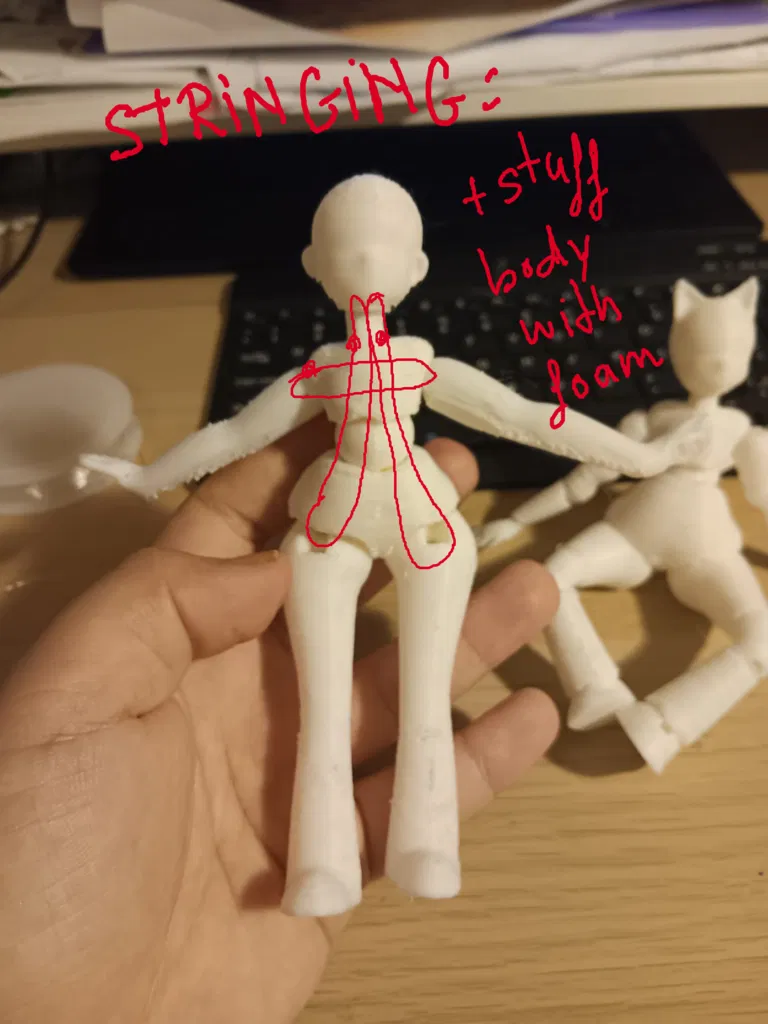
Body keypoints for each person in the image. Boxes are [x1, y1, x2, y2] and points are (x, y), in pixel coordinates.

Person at [0, 420, 560, 1024]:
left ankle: (427, 846)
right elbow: (235, 433)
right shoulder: (323, 379)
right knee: (322, 711)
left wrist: (625, 454)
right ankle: (320, 865)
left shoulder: (401, 375)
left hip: (423, 525)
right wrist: (147, 475)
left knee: (423, 702)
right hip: (330, 530)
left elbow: (514, 411)